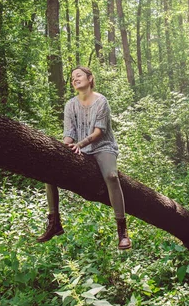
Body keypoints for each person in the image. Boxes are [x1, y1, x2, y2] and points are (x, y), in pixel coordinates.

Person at [37, 66, 132, 250]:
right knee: (49, 170)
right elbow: (69, 134)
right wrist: (64, 150)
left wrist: (80, 144)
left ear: (90, 78)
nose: (75, 80)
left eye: (78, 76)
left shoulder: (101, 101)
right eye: (72, 78)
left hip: (102, 147)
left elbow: (98, 132)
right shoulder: (70, 105)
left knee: (112, 176)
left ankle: (122, 232)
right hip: (80, 149)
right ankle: (54, 222)